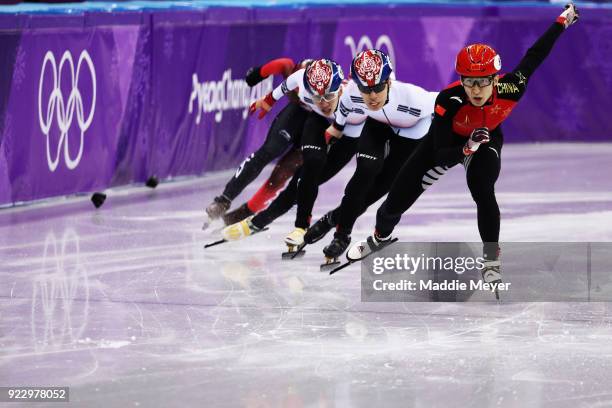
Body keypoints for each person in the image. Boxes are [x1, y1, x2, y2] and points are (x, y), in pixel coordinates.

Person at [347, 4, 580, 285]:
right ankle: (378, 238)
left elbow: (536, 54)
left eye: (483, 83)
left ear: (496, 79)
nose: (477, 90)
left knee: (483, 188)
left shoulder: (512, 86)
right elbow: (439, 152)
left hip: (485, 137)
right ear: (461, 80)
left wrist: (561, 21)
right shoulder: (449, 100)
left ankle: (491, 258)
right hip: (446, 143)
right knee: (394, 202)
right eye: (470, 82)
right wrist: (465, 148)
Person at [221, 59, 367, 252]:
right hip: (319, 123)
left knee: (299, 186)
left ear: (340, 90)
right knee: (309, 169)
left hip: (348, 138)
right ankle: (300, 228)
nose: (323, 103)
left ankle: (259, 220)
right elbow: (281, 88)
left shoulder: (360, 100)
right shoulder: (301, 81)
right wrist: (267, 101)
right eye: (316, 97)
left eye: (328, 96)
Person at [311, 49, 438, 265]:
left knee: (379, 188)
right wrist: (337, 127)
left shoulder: (416, 98)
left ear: (388, 82)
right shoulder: (351, 92)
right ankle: (341, 237)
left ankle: (332, 218)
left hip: (412, 132)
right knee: (364, 174)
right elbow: (344, 106)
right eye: (365, 89)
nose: (372, 96)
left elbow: (451, 104)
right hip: (377, 126)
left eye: (378, 88)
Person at [204, 58, 310, 226]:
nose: (304, 95)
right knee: (268, 151)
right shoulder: (292, 72)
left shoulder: (334, 95)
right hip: (296, 116)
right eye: (299, 88)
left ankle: (242, 214)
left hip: (318, 126)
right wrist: (258, 74)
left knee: (282, 174)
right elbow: (283, 64)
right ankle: (223, 201)